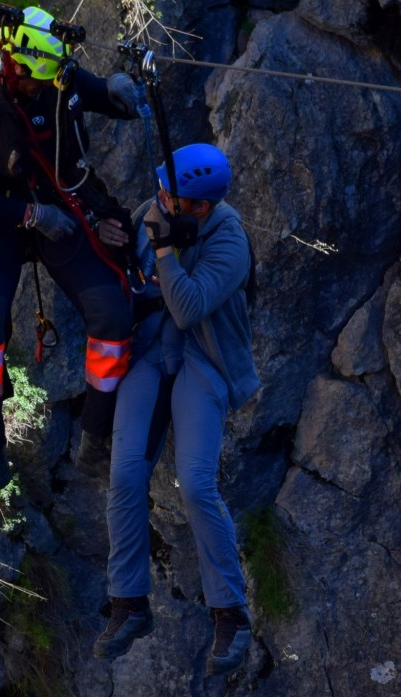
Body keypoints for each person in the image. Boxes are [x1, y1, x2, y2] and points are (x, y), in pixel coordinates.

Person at [0, 6, 140, 515]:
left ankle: (96, 438)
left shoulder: (55, 77)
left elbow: (98, 96)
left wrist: (120, 93)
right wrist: (31, 215)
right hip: (1, 216)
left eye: (50, 80)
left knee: (114, 316)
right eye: (34, 81)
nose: (42, 89)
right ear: (11, 62)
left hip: (64, 205)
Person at [93, 143, 259, 676]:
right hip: (151, 350)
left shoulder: (231, 240)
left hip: (203, 357)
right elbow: (132, 273)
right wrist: (112, 238)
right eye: (160, 191)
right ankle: (128, 604)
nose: (159, 202)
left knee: (195, 482)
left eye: (172, 197)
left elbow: (188, 309)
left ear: (202, 208)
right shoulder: (161, 208)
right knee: (123, 474)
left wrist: (164, 252)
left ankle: (230, 614)